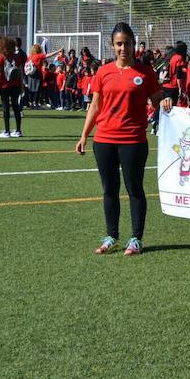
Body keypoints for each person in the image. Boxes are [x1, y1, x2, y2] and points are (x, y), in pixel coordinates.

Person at [76, 22, 171, 257]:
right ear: (112, 45)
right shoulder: (103, 72)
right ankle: (112, 237)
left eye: (127, 43)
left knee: (135, 190)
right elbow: (96, 105)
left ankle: (136, 239)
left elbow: (158, 100)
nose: (123, 48)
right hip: (104, 139)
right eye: (119, 44)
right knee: (109, 190)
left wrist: (166, 102)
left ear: (133, 45)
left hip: (133, 141)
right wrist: (84, 135)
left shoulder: (145, 73)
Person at [0, 37, 24, 138]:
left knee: (6, 107)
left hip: (4, 85)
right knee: (16, 107)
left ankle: (7, 131)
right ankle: (18, 130)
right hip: (16, 85)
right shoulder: (16, 57)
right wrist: (21, 85)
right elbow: (21, 72)